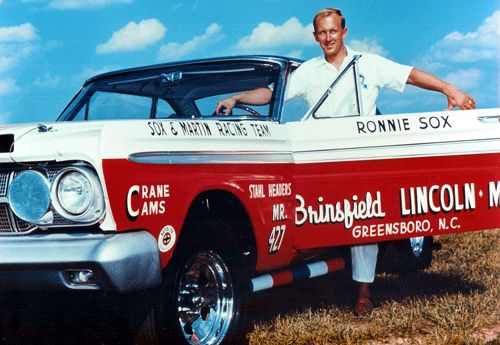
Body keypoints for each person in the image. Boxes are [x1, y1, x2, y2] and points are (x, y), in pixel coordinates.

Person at [215, 8, 476, 315]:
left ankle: (363, 292)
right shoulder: (309, 72)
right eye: (322, 33)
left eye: (333, 31)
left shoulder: (368, 63)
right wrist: (237, 98)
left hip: (358, 156)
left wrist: (450, 89)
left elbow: (409, 74)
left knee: (363, 219)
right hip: (318, 157)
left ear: (344, 32)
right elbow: (272, 94)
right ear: (315, 37)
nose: (328, 38)